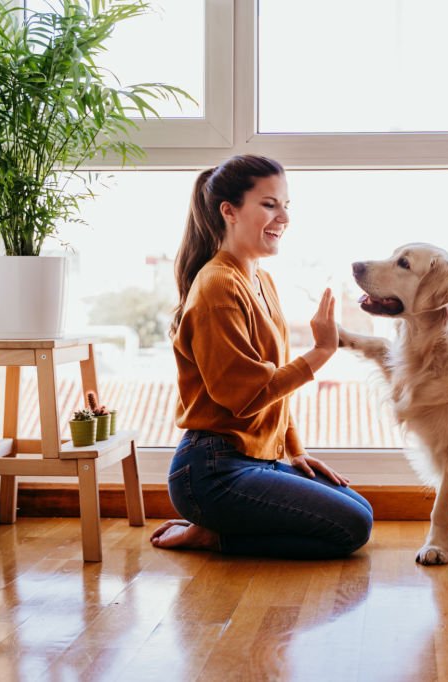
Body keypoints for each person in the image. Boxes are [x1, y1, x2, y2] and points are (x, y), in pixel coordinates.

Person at [150, 154, 373, 559]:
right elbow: (246, 396)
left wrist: (295, 449)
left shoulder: (259, 278)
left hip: (255, 458)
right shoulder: (217, 286)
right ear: (229, 211)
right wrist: (322, 351)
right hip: (211, 470)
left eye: (286, 205)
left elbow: (273, 390)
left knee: (360, 510)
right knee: (352, 528)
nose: (283, 217)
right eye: (270, 204)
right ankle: (211, 535)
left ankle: (217, 529)